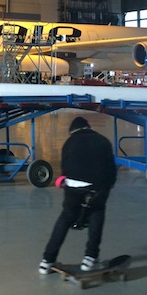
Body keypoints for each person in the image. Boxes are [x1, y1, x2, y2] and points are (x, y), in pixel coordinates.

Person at [38, 116, 117, 275]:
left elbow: (65, 168)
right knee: (96, 214)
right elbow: (110, 169)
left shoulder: (69, 142)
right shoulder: (103, 141)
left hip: (73, 187)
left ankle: (47, 261)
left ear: (73, 131)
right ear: (88, 127)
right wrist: (106, 187)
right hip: (96, 187)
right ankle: (90, 258)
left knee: (66, 218)